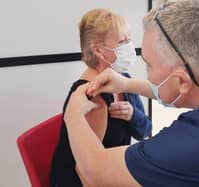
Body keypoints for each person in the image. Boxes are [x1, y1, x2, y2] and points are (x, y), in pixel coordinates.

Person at [64, 0, 199, 186]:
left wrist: (73, 114)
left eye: (149, 65)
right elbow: (183, 89)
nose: (147, 73)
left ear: (181, 81)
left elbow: (93, 173)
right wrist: (126, 85)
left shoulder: (198, 141)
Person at [50, 9, 152, 187]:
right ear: (98, 50)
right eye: (122, 42)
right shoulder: (90, 96)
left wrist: (133, 115)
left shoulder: (123, 80)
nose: (129, 47)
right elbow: (87, 173)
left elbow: (144, 131)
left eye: (129, 39)